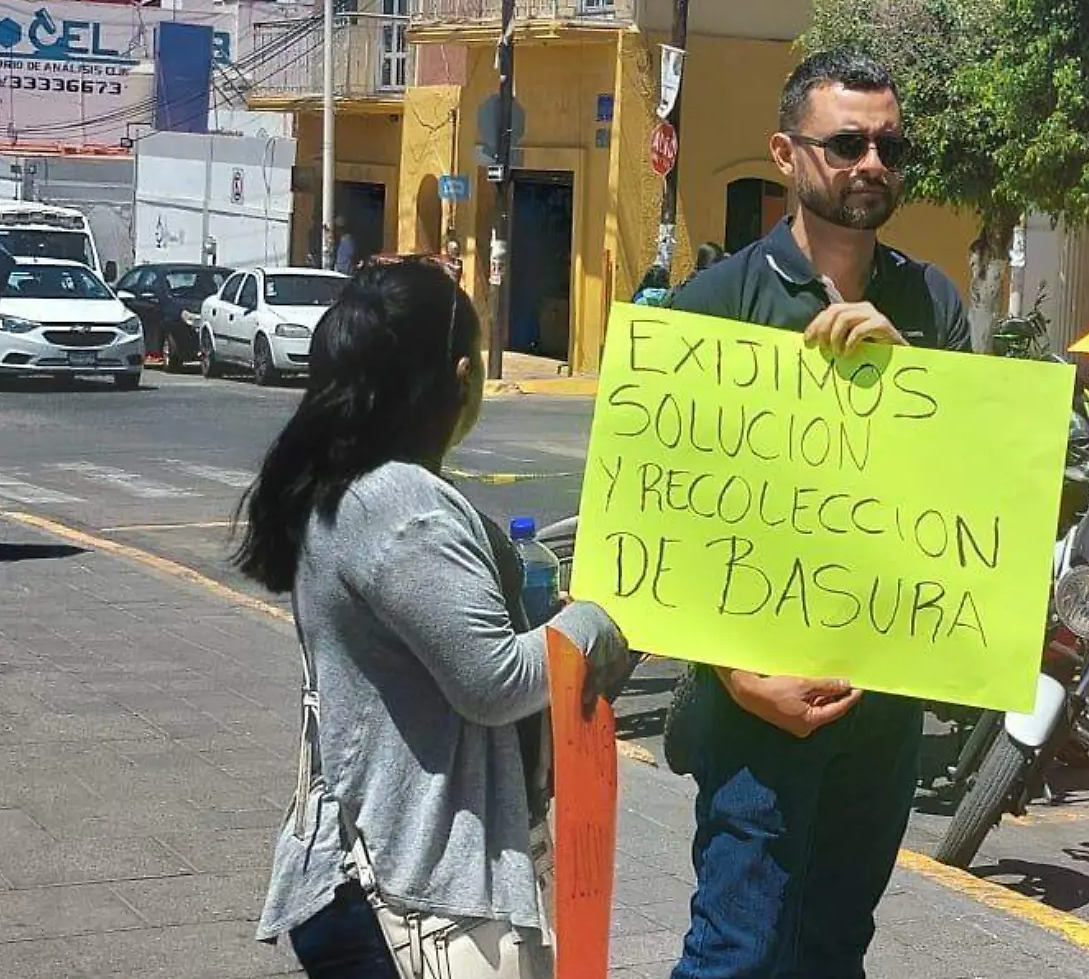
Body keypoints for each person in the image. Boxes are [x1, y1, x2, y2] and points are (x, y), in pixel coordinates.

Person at [660, 50, 972, 979]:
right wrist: (738, 676)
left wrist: (905, 367)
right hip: (753, 710)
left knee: (834, 952)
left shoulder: (932, 303)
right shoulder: (715, 303)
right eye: (846, 144)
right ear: (787, 153)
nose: (871, 163)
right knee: (735, 954)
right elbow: (667, 516)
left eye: (888, 144)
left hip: (880, 711)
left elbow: (962, 491)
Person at [237, 258, 631, 978]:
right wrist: (595, 625)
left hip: (367, 874)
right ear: (458, 376)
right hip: (406, 882)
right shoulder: (402, 506)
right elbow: (492, 680)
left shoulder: (351, 482)